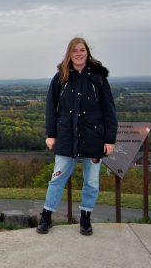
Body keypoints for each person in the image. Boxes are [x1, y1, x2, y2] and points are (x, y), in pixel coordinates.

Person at [37, 37, 117, 236]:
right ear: (69, 54)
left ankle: (85, 218)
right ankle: (46, 216)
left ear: (87, 53)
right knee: (57, 179)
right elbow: (51, 107)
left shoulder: (98, 78)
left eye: (82, 50)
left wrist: (110, 140)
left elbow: (109, 110)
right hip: (66, 138)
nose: (79, 54)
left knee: (91, 182)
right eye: (75, 51)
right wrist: (51, 134)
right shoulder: (61, 77)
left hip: (94, 138)